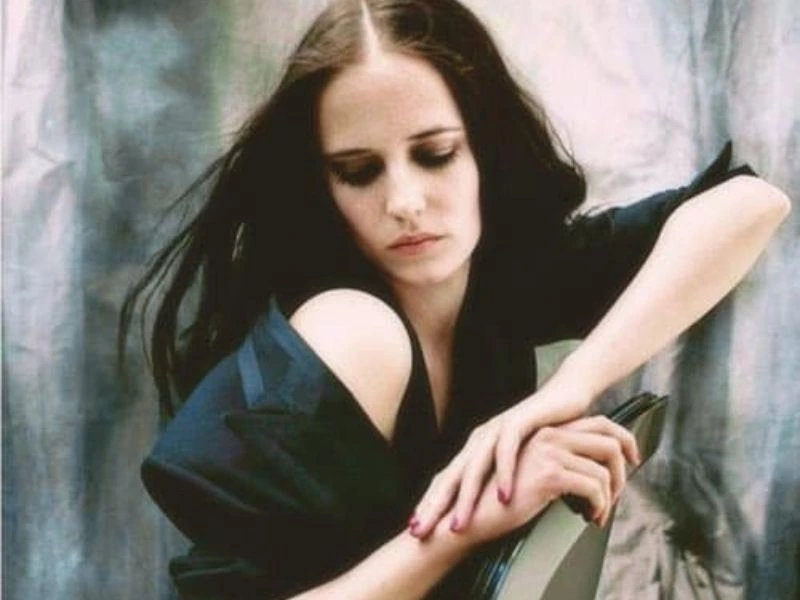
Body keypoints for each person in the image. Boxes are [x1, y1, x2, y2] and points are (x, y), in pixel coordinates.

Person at [120, 0, 790, 598]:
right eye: (359, 171)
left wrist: (570, 389)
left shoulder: (500, 279)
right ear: (324, 187)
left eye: (435, 154)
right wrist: (464, 527)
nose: (405, 202)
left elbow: (751, 204)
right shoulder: (353, 333)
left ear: (483, 150)